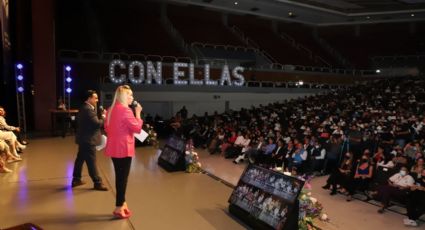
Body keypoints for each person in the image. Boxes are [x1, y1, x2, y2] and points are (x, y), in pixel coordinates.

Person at [104, 85, 143, 219]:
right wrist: (138, 113)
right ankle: (119, 206)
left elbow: (107, 127)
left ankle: (122, 203)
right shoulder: (126, 111)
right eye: (130, 95)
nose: (132, 97)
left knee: (119, 176)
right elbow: (137, 128)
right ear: (123, 96)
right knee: (122, 178)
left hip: (114, 147)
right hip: (124, 148)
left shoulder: (110, 109)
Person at [71, 90, 108, 191]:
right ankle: (97, 182)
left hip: (84, 139)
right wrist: (104, 117)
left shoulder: (85, 108)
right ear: (89, 98)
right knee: (91, 162)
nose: (97, 100)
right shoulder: (88, 110)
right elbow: (97, 124)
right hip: (88, 140)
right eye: (95, 98)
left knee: (80, 160)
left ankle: (76, 179)